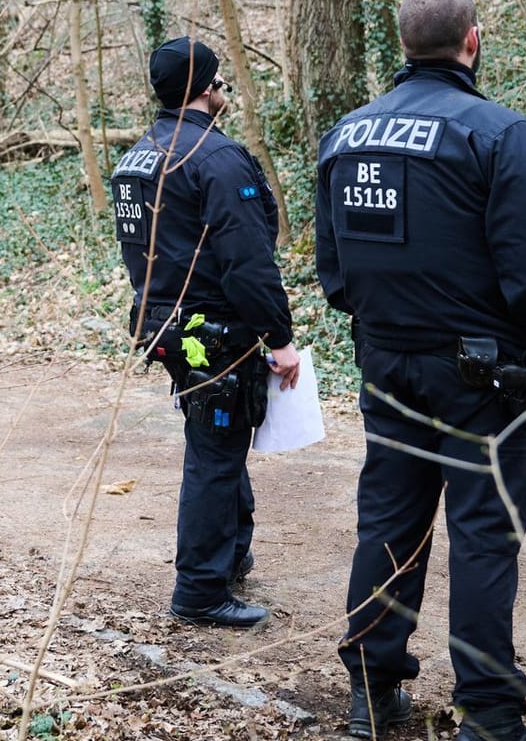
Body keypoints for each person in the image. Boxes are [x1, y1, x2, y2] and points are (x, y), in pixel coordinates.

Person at [314, 0, 526, 741]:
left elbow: (333, 273)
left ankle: (371, 690)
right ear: (473, 40)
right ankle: (491, 717)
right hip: (478, 381)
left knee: (391, 524)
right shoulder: (498, 135)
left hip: (387, 366)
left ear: (404, 45)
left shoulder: (346, 136)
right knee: (482, 538)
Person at [114, 35, 303, 629]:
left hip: (164, 325)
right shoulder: (215, 158)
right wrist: (279, 337)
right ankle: (199, 589)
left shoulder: (138, 156)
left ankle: (232, 556)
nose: (223, 90)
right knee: (215, 455)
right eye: (219, 81)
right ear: (205, 89)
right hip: (215, 331)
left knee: (221, 442)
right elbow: (248, 260)